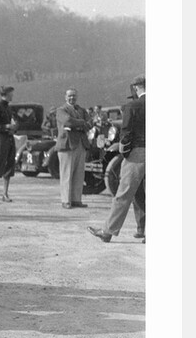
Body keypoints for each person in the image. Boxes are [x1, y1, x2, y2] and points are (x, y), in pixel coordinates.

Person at [88, 76, 146, 243]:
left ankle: (108, 231)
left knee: (124, 193)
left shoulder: (133, 106)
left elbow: (126, 133)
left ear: (136, 88)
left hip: (138, 152)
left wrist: (126, 153)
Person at [55, 87, 92, 209]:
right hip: (67, 145)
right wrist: (82, 123)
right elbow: (68, 121)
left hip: (80, 144)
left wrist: (79, 124)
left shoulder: (81, 110)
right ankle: (66, 200)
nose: (72, 98)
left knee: (79, 174)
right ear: (65, 97)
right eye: (70, 96)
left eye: (74, 96)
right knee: (67, 173)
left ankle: (76, 200)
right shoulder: (61, 110)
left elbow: (90, 122)